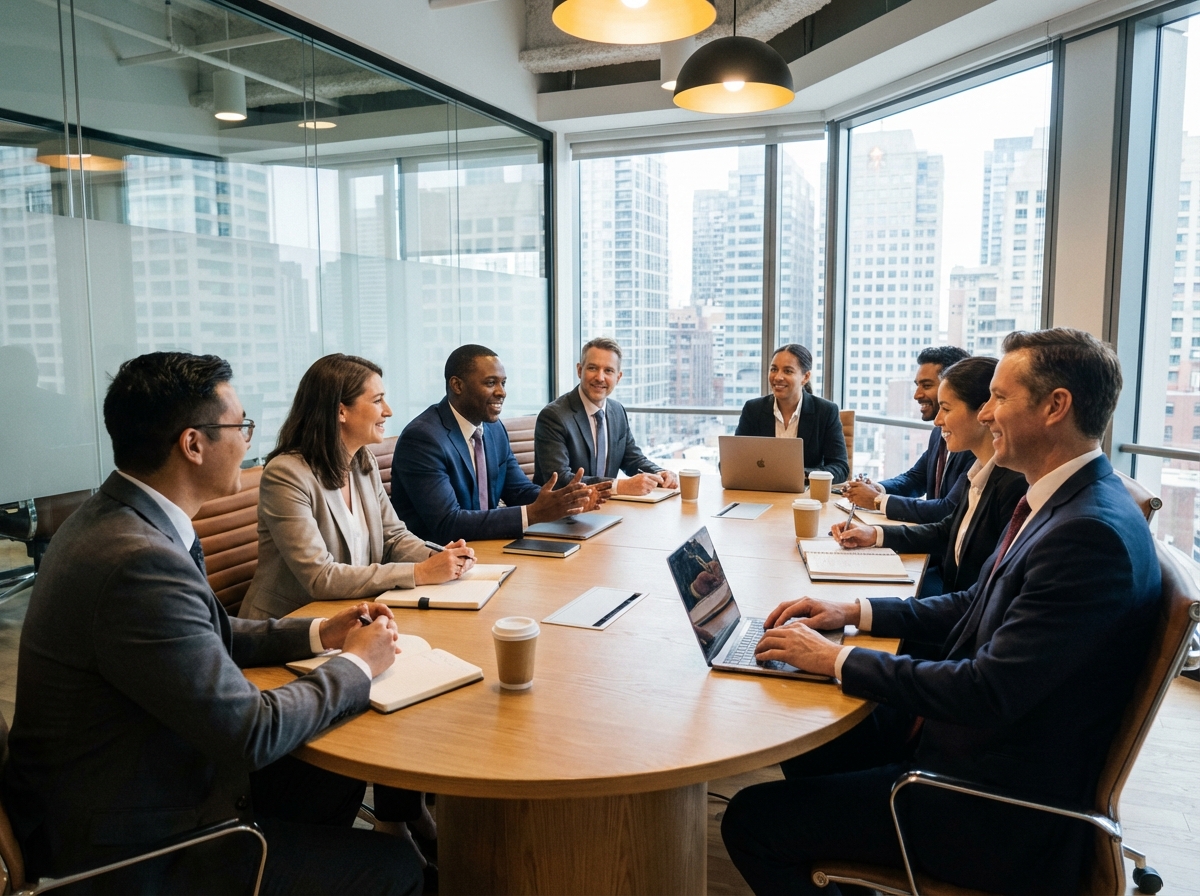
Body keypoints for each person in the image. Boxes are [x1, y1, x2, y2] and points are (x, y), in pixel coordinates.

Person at [721, 328, 1160, 895]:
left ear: (1056, 407)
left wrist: (836, 659)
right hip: (973, 748)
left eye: (999, 397)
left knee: (751, 821)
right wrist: (849, 610)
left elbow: (986, 691)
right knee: (811, 732)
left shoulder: (1088, 536)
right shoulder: (1069, 503)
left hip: (989, 805)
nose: (987, 412)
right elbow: (974, 604)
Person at [1, 352, 421, 895]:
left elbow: (212, 629)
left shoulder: (126, 518)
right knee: (396, 869)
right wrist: (357, 664)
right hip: (134, 847)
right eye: (241, 427)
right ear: (193, 445)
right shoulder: (136, 561)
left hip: (139, 777)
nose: (249, 442)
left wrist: (322, 632)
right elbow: (252, 733)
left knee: (332, 772)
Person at [238, 353, 460, 872]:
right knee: (395, 680)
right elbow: (319, 576)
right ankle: (394, 826)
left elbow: (394, 537)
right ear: (340, 410)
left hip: (352, 622)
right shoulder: (287, 473)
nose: (389, 410)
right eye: (377, 399)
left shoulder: (361, 462)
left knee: (417, 678)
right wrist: (419, 574)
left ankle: (400, 815)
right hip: (292, 637)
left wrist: (443, 558)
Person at [831, 356, 1027, 599]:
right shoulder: (979, 469)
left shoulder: (1012, 484)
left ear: (982, 411)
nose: (937, 420)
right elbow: (947, 528)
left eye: (946, 408)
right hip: (950, 592)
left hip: (953, 599)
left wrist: (877, 501)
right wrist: (875, 533)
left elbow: (978, 598)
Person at [392, 344, 597, 542]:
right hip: (441, 555)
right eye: (491, 383)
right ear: (457, 385)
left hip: (487, 544)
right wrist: (532, 514)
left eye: (503, 383)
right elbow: (448, 523)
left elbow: (518, 491)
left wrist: (565, 501)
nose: (502, 392)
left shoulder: (494, 429)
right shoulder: (422, 439)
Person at [534, 337, 679, 496]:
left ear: (618, 377)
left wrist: (659, 473)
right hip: (565, 509)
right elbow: (560, 480)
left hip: (608, 507)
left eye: (608, 371)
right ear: (579, 370)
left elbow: (632, 459)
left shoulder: (617, 411)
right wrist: (620, 486)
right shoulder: (553, 416)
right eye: (592, 368)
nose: (600, 377)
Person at [843, 345, 971, 523]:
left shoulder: (972, 442)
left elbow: (948, 510)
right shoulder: (939, 432)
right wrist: (876, 488)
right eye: (917, 386)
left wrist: (878, 501)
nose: (917, 395)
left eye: (926, 385)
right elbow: (916, 479)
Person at [733, 344, 849, 483]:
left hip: (805, 493)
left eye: (787, 371)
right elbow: (732, 461)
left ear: (805, 377)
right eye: (774, 369)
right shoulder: (753, 409)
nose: (778, 377)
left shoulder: (825, 411)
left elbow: (840, 468)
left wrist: (803, 474)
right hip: (762, 490)